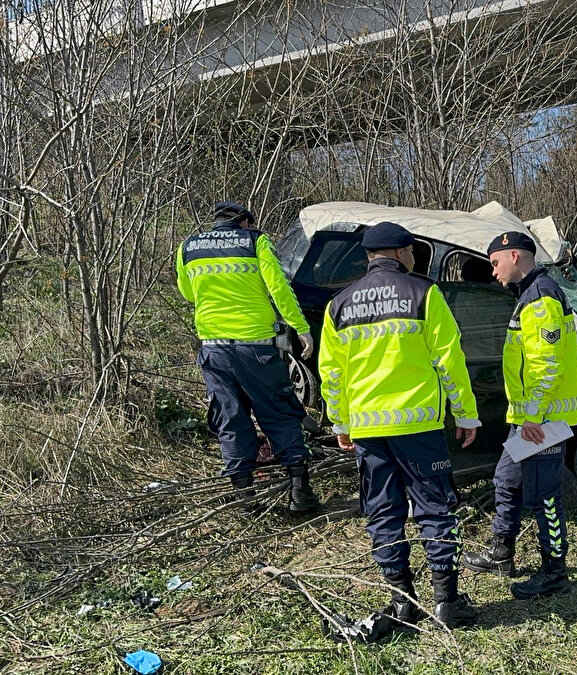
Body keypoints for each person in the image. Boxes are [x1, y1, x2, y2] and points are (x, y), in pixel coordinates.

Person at [317, 221, 480, 640]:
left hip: (369, 430)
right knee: (435, 507)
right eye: (413, 252)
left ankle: (403, 602)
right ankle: (446, 600)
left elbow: (330, 374)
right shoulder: (424, 293)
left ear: (369, 257)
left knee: (383, 511)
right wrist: (466, 415)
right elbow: (449, 359)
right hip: (418, 425)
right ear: (403, 252)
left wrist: (341, 422)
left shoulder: (339, 304)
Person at [176, 201, 320, 513]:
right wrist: (300, 327)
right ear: (244, 221)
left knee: (230, 418)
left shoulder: (188, 247)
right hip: (257, 347)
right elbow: (279, 288)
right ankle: (299, 495)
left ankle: (245, 500)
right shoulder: (256, 241)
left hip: (214, 349)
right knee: (279, 413)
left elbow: (188, 293)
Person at [463, 231, 577, 600]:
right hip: (529, 419)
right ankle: (501, 555)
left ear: (514, 255)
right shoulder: (530, 294)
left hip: (542, 422)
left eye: (495, 263)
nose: (494, 272)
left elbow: (548, 365)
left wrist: (532, 415)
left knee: (545, 496)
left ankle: (554, 572)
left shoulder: (541, 297)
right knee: (506, 480)